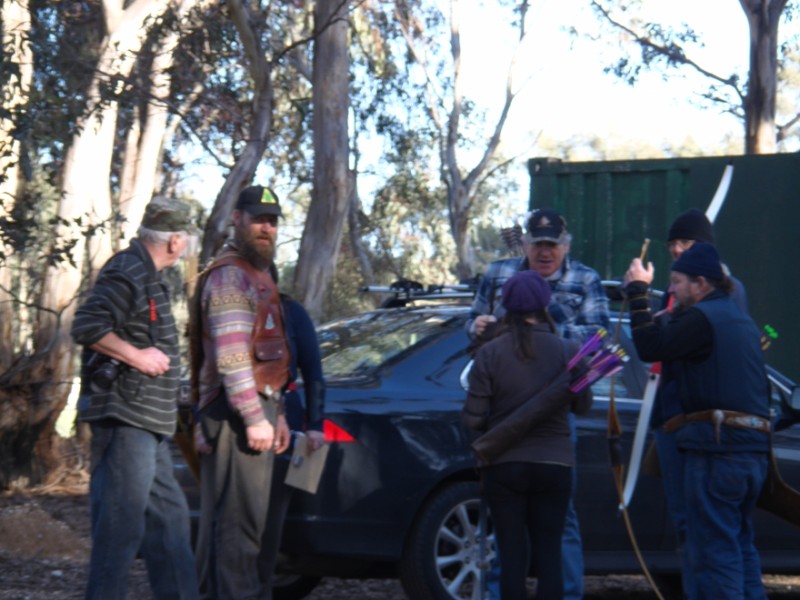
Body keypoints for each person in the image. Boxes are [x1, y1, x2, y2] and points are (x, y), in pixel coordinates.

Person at [467, 207, 609, 600]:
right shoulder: (497, 273)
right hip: (512, 413)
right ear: (525, 244)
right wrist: (480, 327)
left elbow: (598, 339)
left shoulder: (586, 279)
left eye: (552, 245)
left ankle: (566, 593)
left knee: (558, 524)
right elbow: (473, 321)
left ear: (565, 246)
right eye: (538, 244)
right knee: (510, 527)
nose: (545, 252)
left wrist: (533, 325)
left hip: (550, 413)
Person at [624, 243, 770, 599]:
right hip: (749, 454)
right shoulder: (741, 320)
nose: (671, 290)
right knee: (739, 548)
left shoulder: (702, 319)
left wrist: (638, 294)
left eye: (676, 282)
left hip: (717, 451)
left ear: (701, 283)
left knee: (714, 555)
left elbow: (648, 347)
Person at [71, 196, 200, 600]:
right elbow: (87, 325)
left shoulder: (150, 275)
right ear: (176, 241)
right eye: (189, 238)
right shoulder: (128, 269)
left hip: (151, 423)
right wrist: (137, 356)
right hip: (127, 419)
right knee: (120, 529)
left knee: (171, 525)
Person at [191, 185, 292, 599]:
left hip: (256, 410)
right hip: (237, 417)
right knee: (237, 534)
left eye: (272, 221)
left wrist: (278, 413)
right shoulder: (231, 276)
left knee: (246, 529)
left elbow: (268, 356)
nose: (266, 228)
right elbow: (232, 356)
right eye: (258, 219)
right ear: (237, 219)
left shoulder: (260, 273)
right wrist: (254, 416)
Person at [650, 208, 749, 598]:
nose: (676, 250)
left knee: (717, 531)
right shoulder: (674, 291)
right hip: (673, 419)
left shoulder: (728, 289)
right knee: (687, 524)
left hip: (706, 425)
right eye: (672, 244)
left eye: (685, 243)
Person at [257, 277, 326, 599]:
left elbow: (314, 371)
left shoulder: (292, 313)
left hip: (289, 419)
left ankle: (261, 588)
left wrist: (315, 423)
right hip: (242, 422)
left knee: (272, 518)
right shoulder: (233, 310)